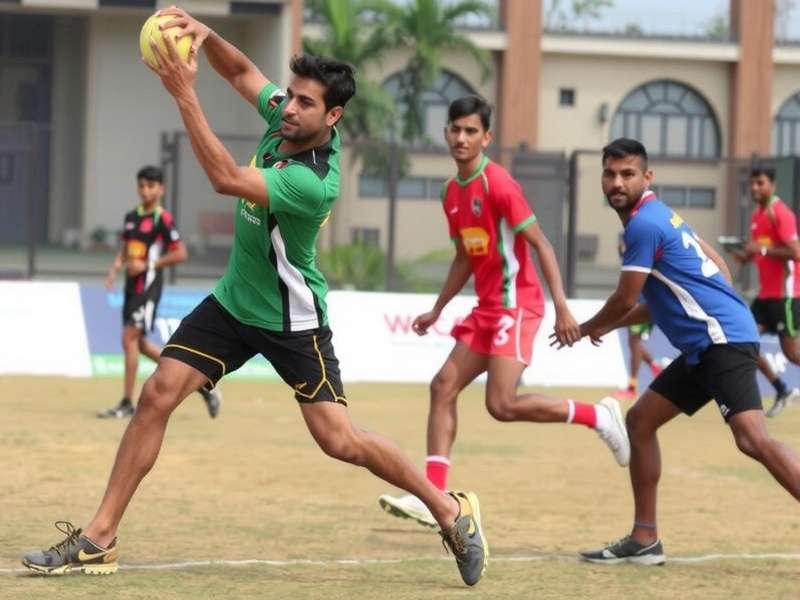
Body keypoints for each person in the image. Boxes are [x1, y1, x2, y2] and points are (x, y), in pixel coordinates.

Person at [22, 9, 486, 587]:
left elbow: (222, 176)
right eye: (289, 96)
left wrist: (183, 94)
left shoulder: (314, 180)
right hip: (233, 302)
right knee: (157, 392)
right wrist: (203, 33)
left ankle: (449, 510)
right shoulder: (285, 118)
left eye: (304, 103)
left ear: (332, 116)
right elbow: (241, 70)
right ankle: (100, 538)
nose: (288, 107)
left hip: (291, 321)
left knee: (339, 440)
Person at [377, 95, 630, 528]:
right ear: (446, 133)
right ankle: (433, 494)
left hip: (518, 304)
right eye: (455, 129)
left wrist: (562, 309)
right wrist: (438, 310)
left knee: (502, 404)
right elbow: (463, 257)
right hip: (487, 307)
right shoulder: (450, 192)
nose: (461, 137)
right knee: (442, 386)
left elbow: (542, 244)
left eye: (471, 131)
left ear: (486, 137)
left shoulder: (498, 183)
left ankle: (598, 415)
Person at [570, 138, 800, 566]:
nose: (617, 182)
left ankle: (645, 537)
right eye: (610, 174)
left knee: (753, 439)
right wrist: (602, 328)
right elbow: (715, 271)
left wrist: (587, 328)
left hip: (720, 341)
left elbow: (625, 299)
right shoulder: (662, 215)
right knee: (639, 422)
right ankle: (645, 539)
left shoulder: (643, 224)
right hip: (709, 343)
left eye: (627, 174)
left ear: (647, 177)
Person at [100, 165, 221, 419]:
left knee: (128, 338)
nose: (145, 191)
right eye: (142, 186)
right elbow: (126, 247)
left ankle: (126, 402)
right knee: (140, 344)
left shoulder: (161, 219)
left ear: (161, 189)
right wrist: (115, 268)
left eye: (151, 186)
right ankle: (202, 387)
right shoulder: (132, 216)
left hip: (148, 288)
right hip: (132, 288)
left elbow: (180, 253)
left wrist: (147, 265)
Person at [727, 166, 800, 418]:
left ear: (773, 185)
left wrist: (761, 250)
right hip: (765, 295)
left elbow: (795, 252)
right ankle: (781, 389)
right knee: (742, 339)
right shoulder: (757, 215)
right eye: (753, 183)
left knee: (792, 354)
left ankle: (781, 390)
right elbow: (758, 252)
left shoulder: (781, 213)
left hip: (785, 295)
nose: (755, 188)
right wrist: (742, 255)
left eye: (760, 183)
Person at [614, 235, 662, 401]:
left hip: (642, 302)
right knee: (635, 342)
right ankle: (655, 367)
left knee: (633, 342)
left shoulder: (643, 243)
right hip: (645, 301)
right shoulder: (637, 242)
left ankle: (632, 387)